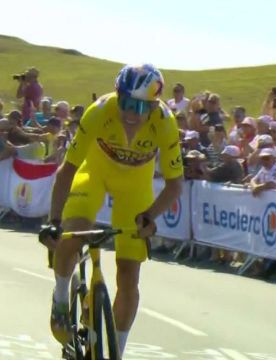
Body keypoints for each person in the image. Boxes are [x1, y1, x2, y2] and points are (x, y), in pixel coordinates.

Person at [40, 64, 183, 357]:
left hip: (136, 184)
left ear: (153, 105)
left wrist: (150, 218)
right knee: (72, 234)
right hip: (95, 171)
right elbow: (67, 171)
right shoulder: (100, 110)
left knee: (129, 276)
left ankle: (117, 350)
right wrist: (54, 221)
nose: (130, 113)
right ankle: (60, 297)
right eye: (126, 103)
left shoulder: (165, 122)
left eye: (139, 106)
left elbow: (174, 185)